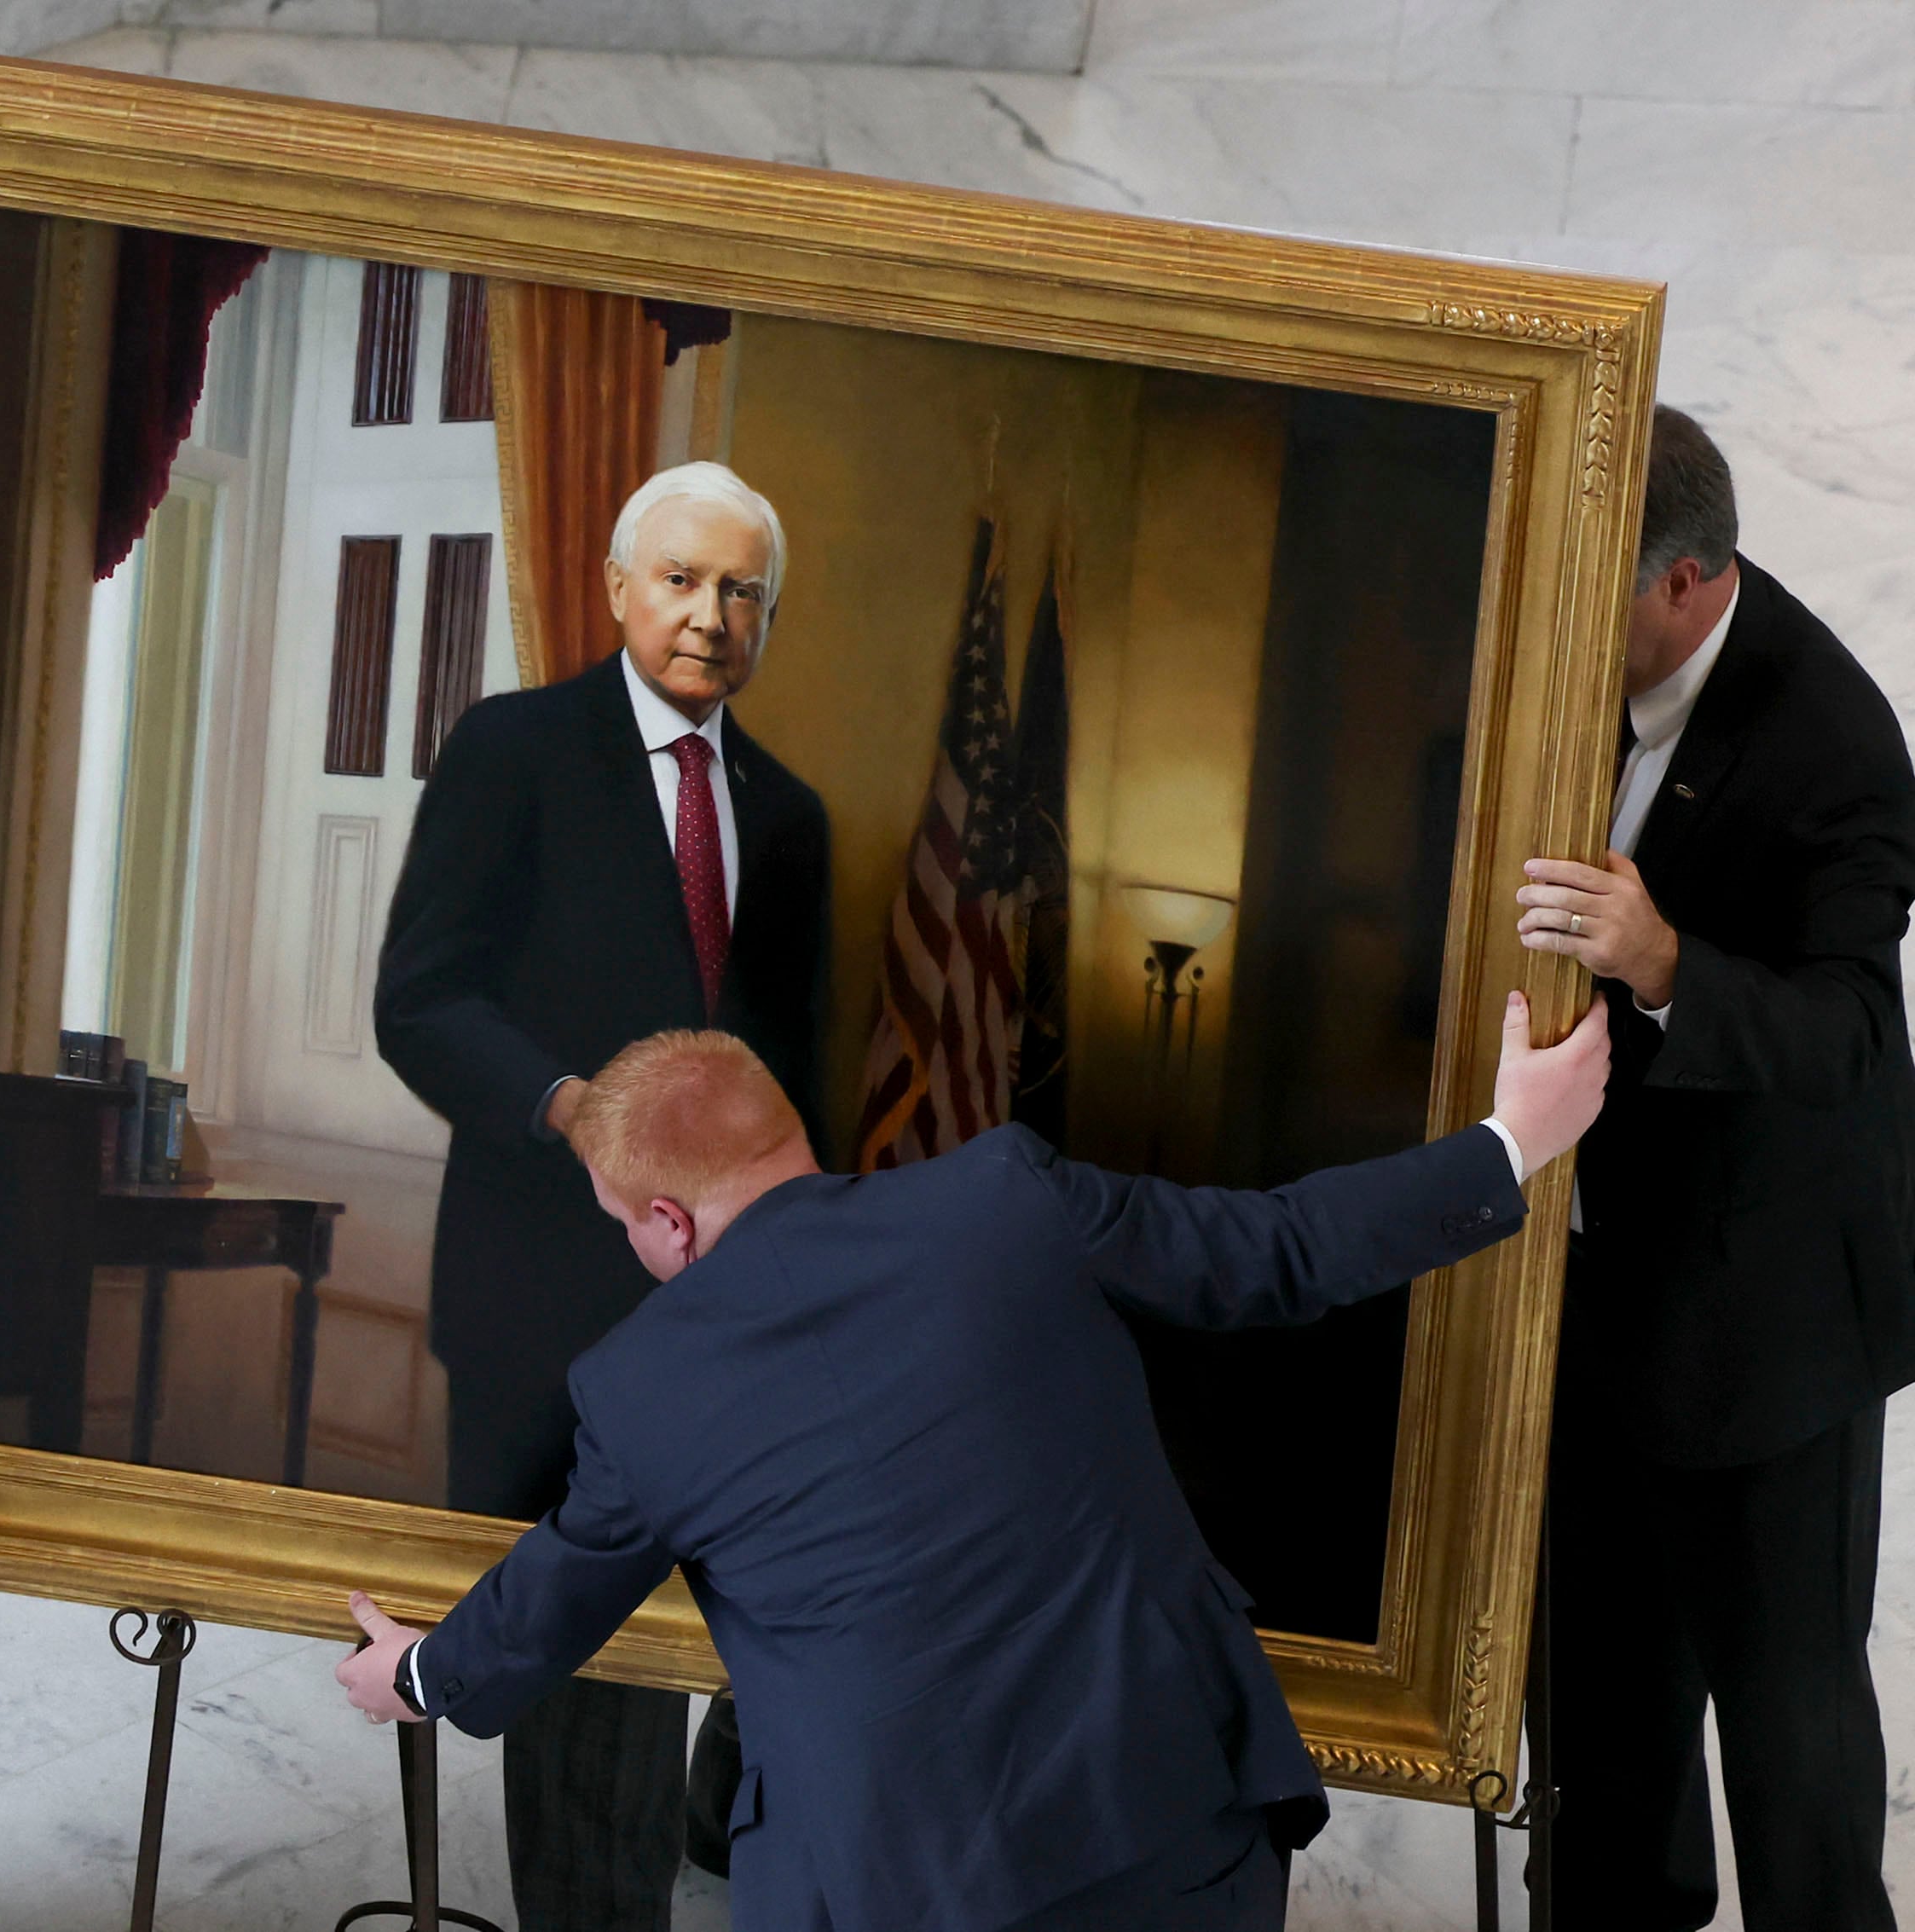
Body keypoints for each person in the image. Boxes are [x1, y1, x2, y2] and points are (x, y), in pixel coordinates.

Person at [338, 1006, 1610, 1932]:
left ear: (666, 1218)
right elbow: (1273, 1248)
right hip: (1168, 1819)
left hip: (898, 1883)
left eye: (626, 1226)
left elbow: (554, 1592)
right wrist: (1509, 1142)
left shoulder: (638, 1382)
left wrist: (411, 1671)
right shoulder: (1008, 1196)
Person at [373, 459, 830, 1924]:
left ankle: (701, 1858)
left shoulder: (793, 813)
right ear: (621, 588)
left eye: (740, 590)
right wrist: (574, 1114)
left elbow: (793, 1070)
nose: (711, 614)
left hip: (731, 1309)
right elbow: (421, 998)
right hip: (538, 1297)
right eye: (684, 580)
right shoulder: (512, 751)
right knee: (580, 1656)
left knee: (733, 1625)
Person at [1512, 406, 1915, 1929]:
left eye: (1592, 587)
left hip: (1770, 1342)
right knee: (1605, 1750)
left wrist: (1667, 960)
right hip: (1603, 1312)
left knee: (1793, 1761)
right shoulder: (1586, 663)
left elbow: (1852, 1033)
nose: (1563, 616)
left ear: (1687, 582)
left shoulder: (1835, 739)